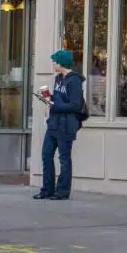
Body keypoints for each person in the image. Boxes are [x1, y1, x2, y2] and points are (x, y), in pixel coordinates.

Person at [34, 50, 86, 201]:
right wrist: (48, 98)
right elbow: (58, 99)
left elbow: (75, 105)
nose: (53, 64)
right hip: (54, 123)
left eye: (55, 62)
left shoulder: (74, 81)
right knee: (46, 155)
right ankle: (47, 189)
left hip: (66, 124)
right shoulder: (58, 79)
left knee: (64, 158)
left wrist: (55, 105)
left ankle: (62, 191)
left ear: (61, 63)